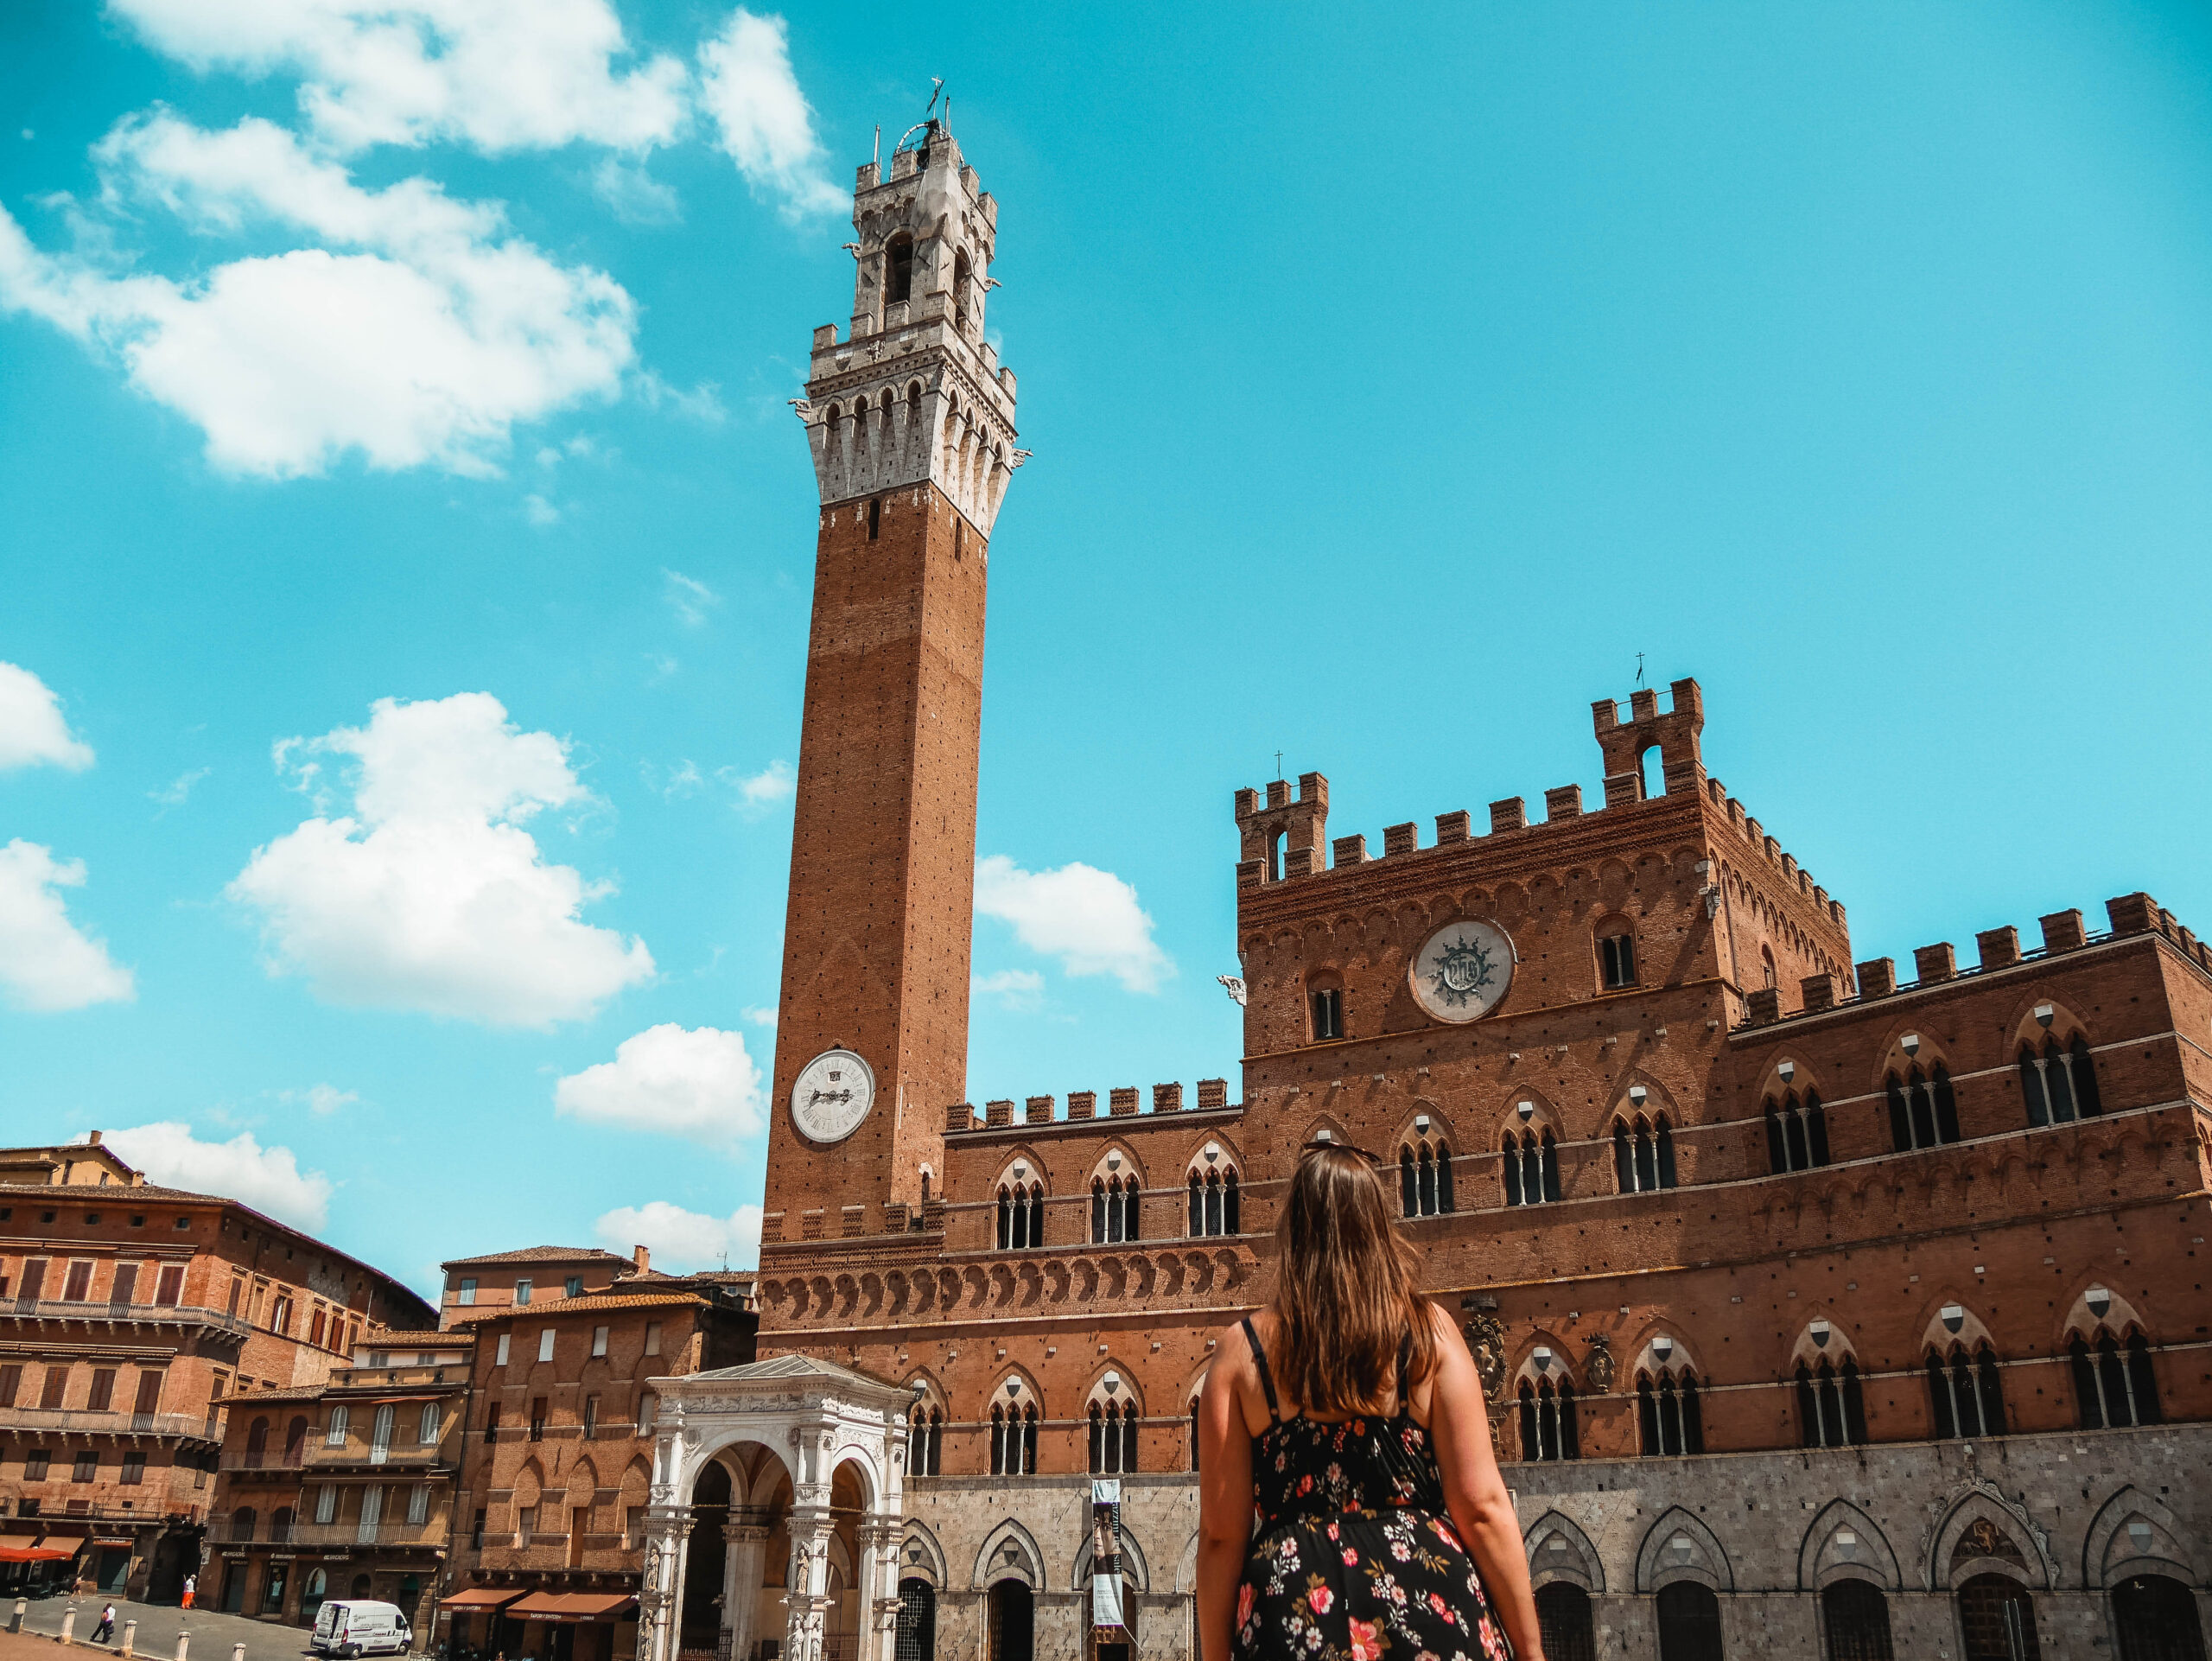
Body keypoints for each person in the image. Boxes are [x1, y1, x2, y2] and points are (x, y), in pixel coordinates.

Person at [1197, 1142, 1545, 1661]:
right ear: (1377, 1228)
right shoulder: (1430, 1335)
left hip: (1294, 1610)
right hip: (1427, 1600)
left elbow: (1222, 1538)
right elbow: (1482, 1509)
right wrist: (1532, 1652)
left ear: (1293, 1233)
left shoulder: (1240, 1354)